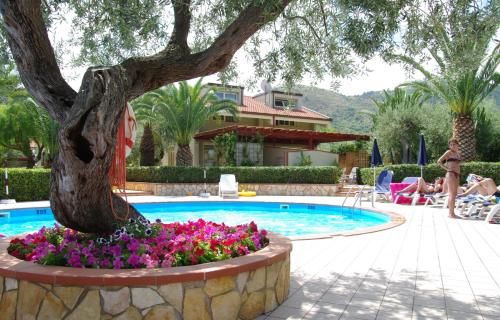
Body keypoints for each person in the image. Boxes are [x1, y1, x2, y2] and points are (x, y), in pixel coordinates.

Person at [437, 138, 461, 218]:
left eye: (454, 144)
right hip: (451, 174)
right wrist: (447, 169)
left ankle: (452, 212)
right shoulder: (448, 152)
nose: (452, 146)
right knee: (451, 194)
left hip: (457, 174)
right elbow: (439, 161)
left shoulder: (458, 153)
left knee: (454, 194)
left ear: (457, 145)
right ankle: (451, 214)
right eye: (451, 144)